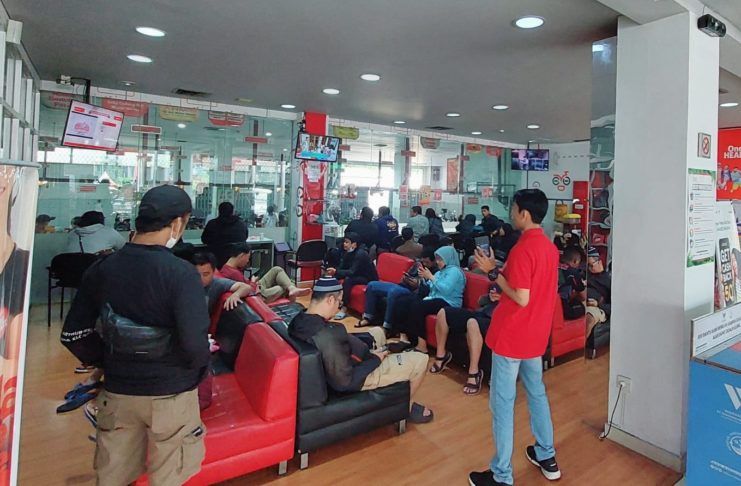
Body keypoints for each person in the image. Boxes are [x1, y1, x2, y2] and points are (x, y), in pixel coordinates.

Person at [61, 185, 209, 485]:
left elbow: (73, 334)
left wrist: (108, 361)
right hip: (171, 394)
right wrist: (193, 372)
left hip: (118, 392)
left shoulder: (102, 269)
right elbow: (195, 345)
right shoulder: (182, 274)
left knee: (114, 477)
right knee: (168, 478)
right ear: (178, 223)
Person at [469, 188, 561, 486]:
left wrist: (492, 272)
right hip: (535, 335)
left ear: (524, 213)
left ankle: (502, 475)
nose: (510, 214)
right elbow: (531, 291)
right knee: (536, 394)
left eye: (513, 209)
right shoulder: (549, 247)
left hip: (512, 336)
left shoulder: (523, 249)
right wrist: (502, 281)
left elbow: (521, 297)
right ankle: (546, 455)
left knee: (503, 404)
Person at [288, 277, 433, 423]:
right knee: (421, 360)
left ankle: (391, 354)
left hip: (350, 356)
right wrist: (375, 359)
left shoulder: (299, 319)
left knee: (378, 332)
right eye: (339, 302)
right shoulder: (327, 336)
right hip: (361, 373)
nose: (338, 308)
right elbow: (344, 382)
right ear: (330, 300)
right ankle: (405, 408)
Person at [431, 284, 502, 395]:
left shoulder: (519, 288)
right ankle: (441, 356)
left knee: (472, 322)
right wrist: (489, 297)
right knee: (443, 312)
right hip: (480, 313)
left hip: (495, 320)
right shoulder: (498, 281)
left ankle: (474, 373)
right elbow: (481, 301)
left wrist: (503, 299)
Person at [396, 246, 465, 354]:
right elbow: (430, 287)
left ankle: (422, 346)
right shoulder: (440, 272)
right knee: (404, 301)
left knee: (418, 306)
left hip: (449, 302)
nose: (437, 262)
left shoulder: (455, 271)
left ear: (448, 258)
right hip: (435, 299)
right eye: (437, 259)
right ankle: (406, 338)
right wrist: (424, 278)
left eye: (440, 259)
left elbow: (446, 290)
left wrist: (431, 277)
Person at [356, 246, 439, 330]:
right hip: (402, 285)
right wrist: (406, 278)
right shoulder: (418, 264)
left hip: (412, 292)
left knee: (393, 291)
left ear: (434, 261)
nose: (424, 264)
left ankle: (387, 326)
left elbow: (429, 289)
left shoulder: (436, 272)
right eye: (423, 261)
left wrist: (418, 284)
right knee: (372, 285)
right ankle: (368, 318)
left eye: (427, 262)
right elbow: (408, 275)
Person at [218, 242, 311, 302]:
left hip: (257, 287)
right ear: (241, 256)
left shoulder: (227, 268)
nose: (247, 261)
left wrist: (253, 282)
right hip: (259, 295)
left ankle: (292, 288)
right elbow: (249, 291)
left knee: (277, 269)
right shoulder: (233, 273)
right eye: (248, 257)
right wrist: (253, 282)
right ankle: (291, 290)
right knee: (282, 287)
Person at [325, 232, 378, 320]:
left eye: (347, 242)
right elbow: (342, 267)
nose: (344, 244)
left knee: (348, 280)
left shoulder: (361, 254)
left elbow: (352, 272)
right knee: (335, 276)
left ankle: (344, 308)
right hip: (358, 274)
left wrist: (337, 271)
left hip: (367, 278)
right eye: (344, 242)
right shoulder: (348, 252)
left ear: (354, 244)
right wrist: (334, 272)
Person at [586, 247, 611, 337]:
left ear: (599, 262)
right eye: (587, 265)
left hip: (597, 308)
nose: (589, 268)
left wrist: (598, 304)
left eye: (591, 265)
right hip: (582, 301)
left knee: (589, 318)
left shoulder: (609, 280)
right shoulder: (586, 274)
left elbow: (614, 307)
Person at [558, 246, 586, 319]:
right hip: (559, 305)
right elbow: (583, 296)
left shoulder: (552, 265)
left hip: (544, 301)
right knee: (583, 308)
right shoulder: (573, 272)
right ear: (575, 261)